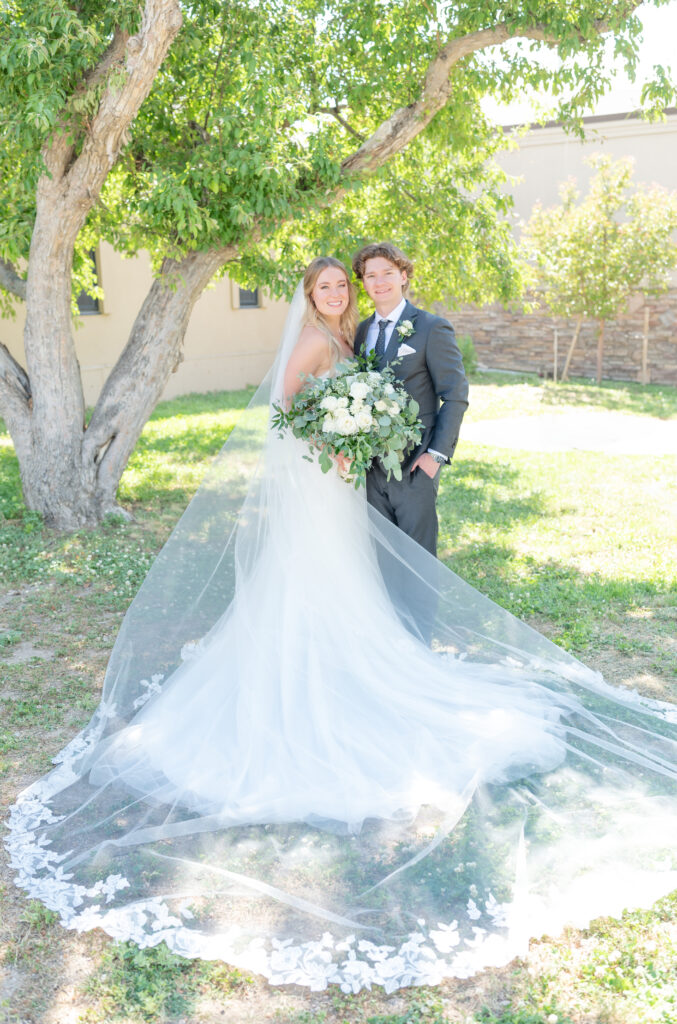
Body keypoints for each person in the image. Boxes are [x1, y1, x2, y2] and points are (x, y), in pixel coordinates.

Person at [6, 257, 677, 996]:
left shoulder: (359, 333)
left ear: (363, 289)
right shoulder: (320, 340)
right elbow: (284, 408)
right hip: (322, 479)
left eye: (344, 285)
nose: (337, 293)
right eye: (326, 286)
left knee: (353, 582)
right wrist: (328, 438)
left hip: (347, 479)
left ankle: (374, 650)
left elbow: (434, 394)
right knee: (311, 584)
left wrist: (370, 439)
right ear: (309, 295)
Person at [352, 242, 468, 557]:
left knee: (418, 560)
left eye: (387, 273)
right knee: (382, 557)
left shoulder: (432, 327)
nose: (379, 282)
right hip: (371, 468)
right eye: (370, 275)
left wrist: (436, 456)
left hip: (416, 464)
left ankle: (419, 610)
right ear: (363, 282)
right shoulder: (361, 332)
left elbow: (455, 395)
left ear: (403, 276)